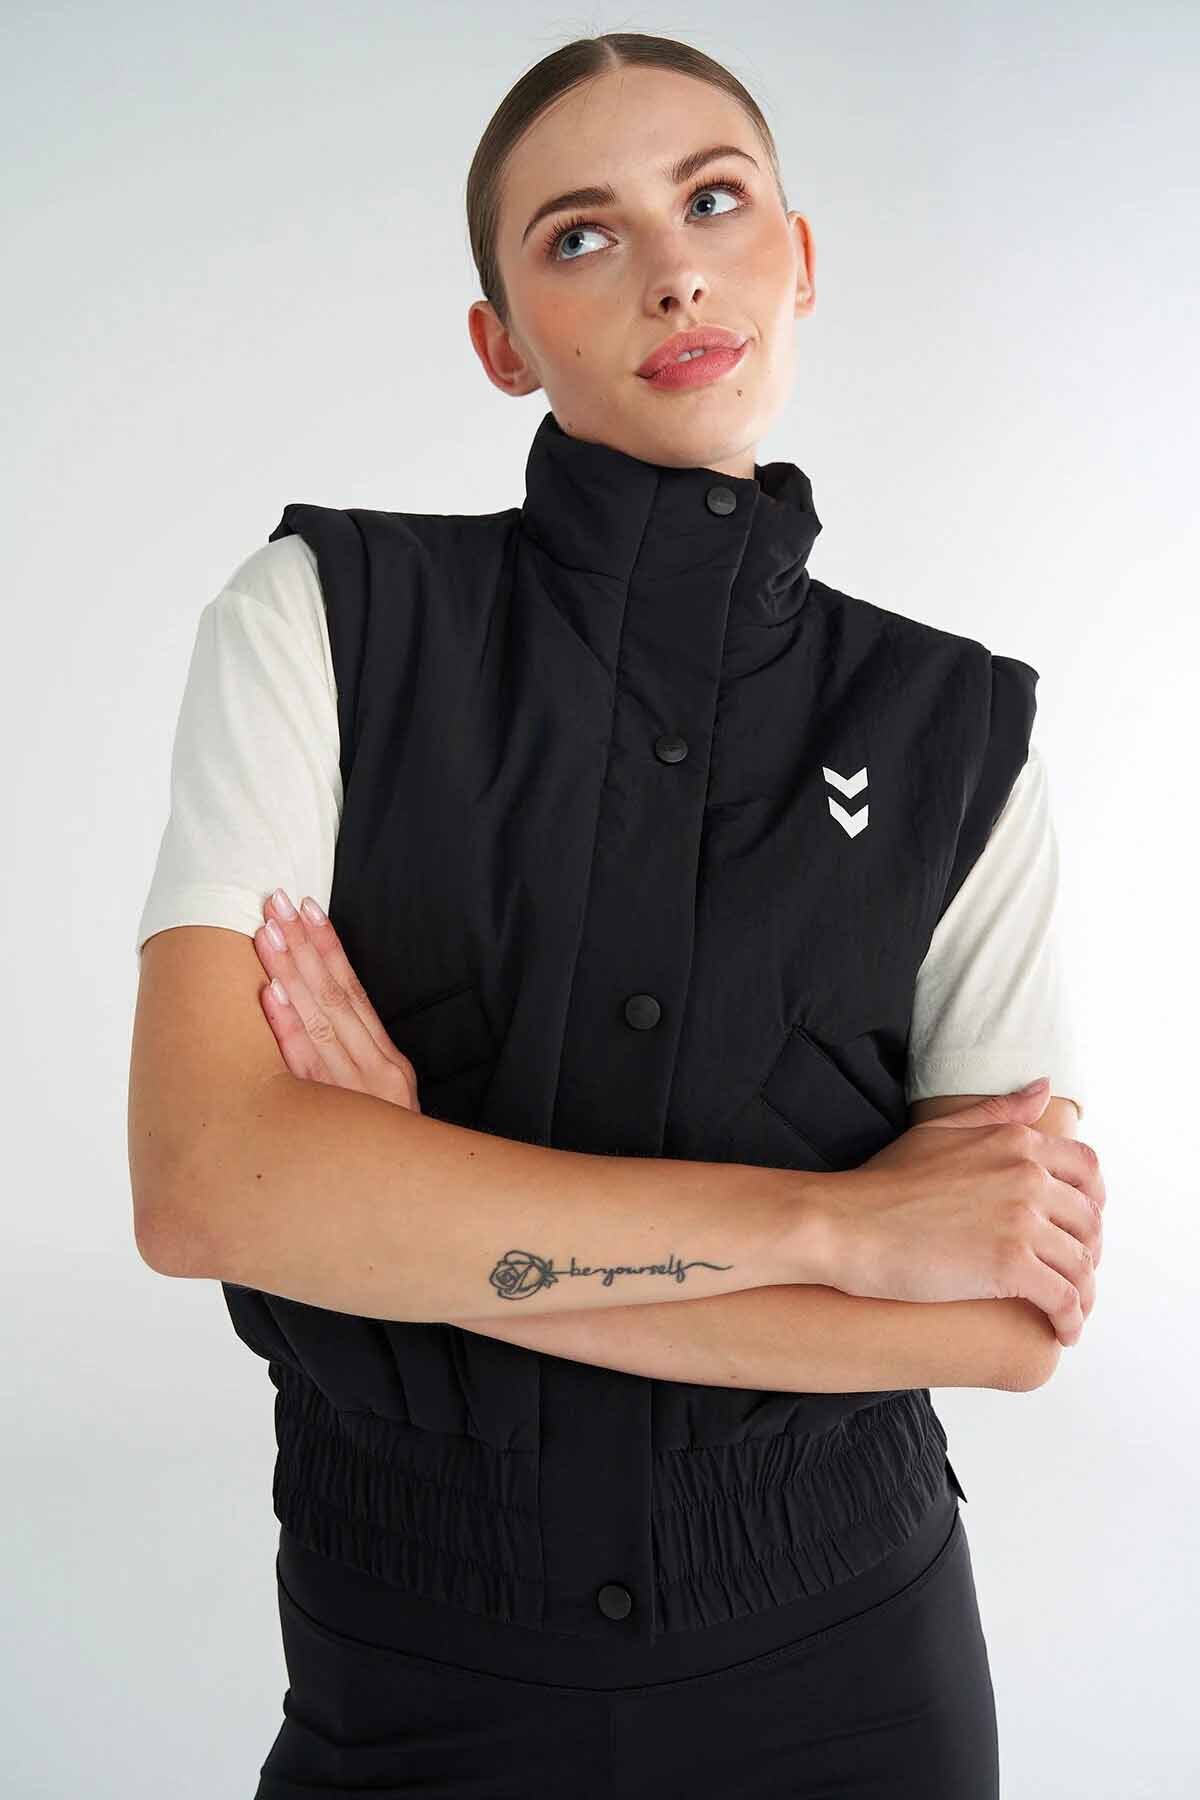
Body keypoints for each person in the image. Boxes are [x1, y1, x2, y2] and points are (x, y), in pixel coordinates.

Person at [129, 31, 1099, 1799]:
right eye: (580, 235)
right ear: (501, 338)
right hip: (407, 1676)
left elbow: (1001, 1321)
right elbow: (206, 1186)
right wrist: (834, 1230)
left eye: (715, 202)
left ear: (799, 258)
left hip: (857, 1676)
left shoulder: (961, 731)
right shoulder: (323, 620)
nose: (673, 270)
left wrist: (404, 1209)